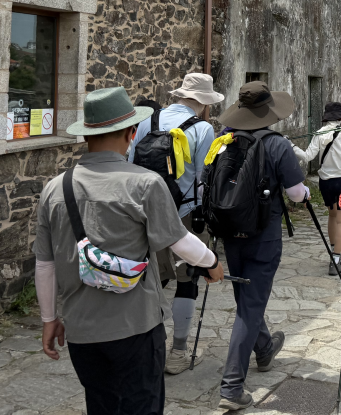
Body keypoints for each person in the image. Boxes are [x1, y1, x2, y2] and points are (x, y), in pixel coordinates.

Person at [34, 87, 224, 415]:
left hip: (82, 330)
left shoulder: (54, 189)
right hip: (136, 326)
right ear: (131, 133)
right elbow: (179, 241)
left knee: (101, 406)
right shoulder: (146, 184)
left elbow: (45, 265)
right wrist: (211, 261)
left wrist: (49, 319)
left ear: (87, 136)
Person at [216, 81, 309, 410]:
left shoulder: (224, 142)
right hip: (263, 235)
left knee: (246, 297)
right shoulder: (277, 145)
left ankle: (265, 348)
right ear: (268, 112)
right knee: (250, 306)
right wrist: (306, 194)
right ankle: (231, 387)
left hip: (231, 232)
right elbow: (297, 194)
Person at [127, 73, 220, 375]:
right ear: (204, 102)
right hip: (185, 215)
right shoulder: (203, 128)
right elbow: (205, 176)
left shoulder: (146, 122)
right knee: (187, 280)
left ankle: (141, 350)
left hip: (144, 214)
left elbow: (129, 165)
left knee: (148, 281)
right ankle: (178, 353)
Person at [292, 101, 341, 275]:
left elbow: (307, 156)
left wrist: (291, 146)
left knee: (332, 215)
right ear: (340, 117)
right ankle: (336, 259)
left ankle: (333, 251)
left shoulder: (320, 133)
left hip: (326, 182)